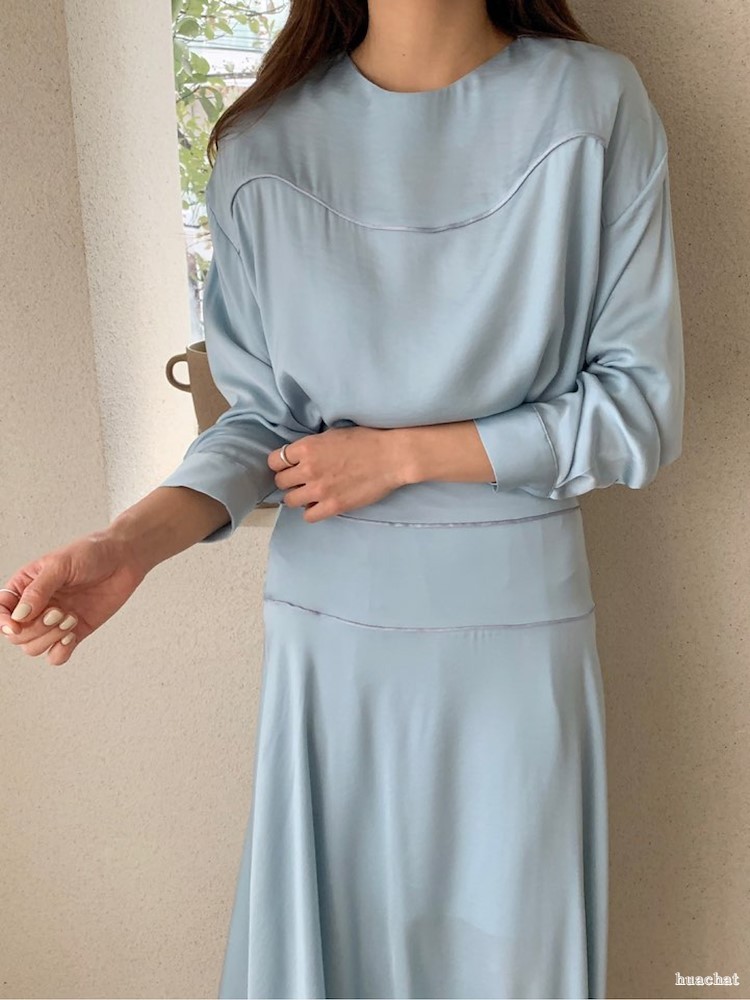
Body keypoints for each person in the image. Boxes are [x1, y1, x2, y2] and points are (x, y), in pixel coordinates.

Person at [1, 1, 685, 997]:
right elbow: (260, 423)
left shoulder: (594, 103)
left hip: (511, 635)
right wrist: (129, 545)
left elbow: (640, 411)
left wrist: (401, 457)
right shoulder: (263, 144)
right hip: (334, 643)